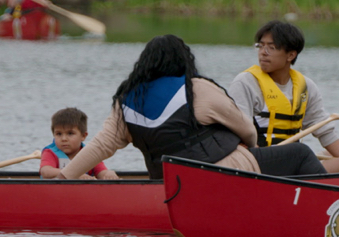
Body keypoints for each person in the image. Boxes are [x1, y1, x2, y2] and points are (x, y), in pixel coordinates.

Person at [55, 34, 326, 180]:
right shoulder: (196, 88)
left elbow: (100, 146)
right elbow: (246, 127)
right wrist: (253, 149)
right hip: (229, 173)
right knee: (300, 154)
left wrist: (66, 177)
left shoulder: (127, 101)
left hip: (171, 183)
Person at [228, 20, 339, 172]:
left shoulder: (306, 87)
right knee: (301, 151)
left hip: (289, 161)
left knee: (326, 155)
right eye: (260, 46)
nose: (263, 52)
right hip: (254, 160)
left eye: (271, 47)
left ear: (291, 55)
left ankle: (317, 189)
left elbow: (325, 131)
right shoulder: (246, 83)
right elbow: (239, 133)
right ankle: (319, 192)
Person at [40, 108, 118, 180]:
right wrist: (74, 174)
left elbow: (102, 172)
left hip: (82, 193)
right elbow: (46, 172)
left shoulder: (90, 153)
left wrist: (108, 174)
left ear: (83, 136)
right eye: (59, 134)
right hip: (54, 193)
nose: (64, 139)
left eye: (70, 133)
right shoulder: (50, 152)